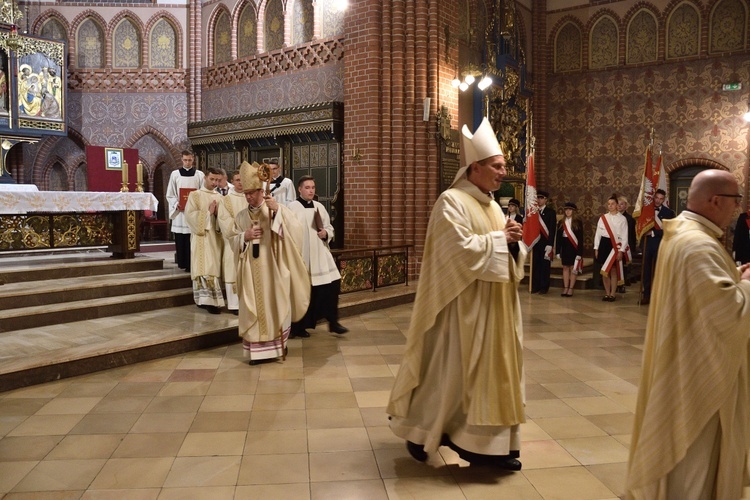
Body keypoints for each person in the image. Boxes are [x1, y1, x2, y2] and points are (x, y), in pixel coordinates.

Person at [387, 117, 527, 470]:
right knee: (451, 377)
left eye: (504, 166)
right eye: (497, 166)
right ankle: (422, 432)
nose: (503, 172)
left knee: (492, 375)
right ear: (475, 168)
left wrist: (513, 244)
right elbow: (456, 252)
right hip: (461, 309)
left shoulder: (493, 205)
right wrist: (501, 240)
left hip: (496, 310)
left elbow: (502, 253)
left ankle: (491, 446)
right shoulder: (451, 201)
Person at [626, 169, 750, 500]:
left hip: (683, 357)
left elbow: (700, 293)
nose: (736, 208)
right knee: (696, 464)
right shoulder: (697, 245)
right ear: (715, 201)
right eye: (735, 201)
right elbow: (728, 312)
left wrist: (733, 275)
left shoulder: (682, 235)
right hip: (698, 374)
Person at [232, 161, 311, 364]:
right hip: (250, 270)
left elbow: (295, 234)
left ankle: (277, 347)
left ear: (261, 190)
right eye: (246, 193)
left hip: (274, 268)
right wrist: (245, 236)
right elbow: (232, 240)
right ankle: (258, 353)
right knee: (254, 308)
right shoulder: (241, 216)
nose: (249, 197)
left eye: (253, 192)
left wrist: (277, 214)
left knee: (275, 305)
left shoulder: (275, 209)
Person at [288, 176, 348, 336]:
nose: (311, 190)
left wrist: (326, 233)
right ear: (299, 189)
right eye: (307, 187)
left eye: (313, 187)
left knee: (332, 285)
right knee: (303, 292)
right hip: (303, 257)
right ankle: (298, 327)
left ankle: (333, 321)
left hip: (320, 256)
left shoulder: (319, 207)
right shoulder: (292, 208)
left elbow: (329, 227)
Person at [184, 166, 225, 314]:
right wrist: (208, 213)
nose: (215, 183)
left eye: (217, 180)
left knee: (213, 266)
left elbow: (224, 220)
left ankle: (212, 300)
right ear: (205, 178)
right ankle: (205, 301)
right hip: (201, 237)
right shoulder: (195, 195)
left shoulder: (221, 198)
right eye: (212, 179)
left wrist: (218, 214)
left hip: (215, 237)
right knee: (204, 268)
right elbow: (189, 216)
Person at [166, 150, 205, 272]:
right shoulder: (175, 174)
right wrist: (176, 204)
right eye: (185, 160)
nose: (187, 162)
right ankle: (182, 262)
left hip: (194, 213)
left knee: (192, 239)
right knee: (181, 238)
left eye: (190, 160)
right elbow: (170, 194)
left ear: (193, 159)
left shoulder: (199, 175)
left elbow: (202, 193)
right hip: (180, 213)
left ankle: (192, 263)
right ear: (182, 160)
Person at [217, 170, 247, 314]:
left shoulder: (251, 197)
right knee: (232, 271)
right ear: (232, 182)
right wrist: (242, 233)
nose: (240, 183)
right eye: (237, 180)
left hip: (250, 241)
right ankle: (234, 305)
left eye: (242, 180)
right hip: (232, 242)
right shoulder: (226, 200)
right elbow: (224, 221)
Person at [641, 189, 675, 304]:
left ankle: (657, 296)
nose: (658, 201)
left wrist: (653, 233)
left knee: (658, 270)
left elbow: (669, 230)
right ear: (653, 197)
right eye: (656, 198)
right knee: (646, 270)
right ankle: (646, 295)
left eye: (661, 199)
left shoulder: (669, 213)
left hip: (660, 244)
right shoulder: (646, 211)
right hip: (647, 244)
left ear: (664, 200)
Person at [594, 193, 628, 301]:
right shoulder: (603, 218)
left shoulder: (622, 219)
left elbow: (624, 236)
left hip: (615, 246)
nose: (610, 206)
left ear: (617, 205)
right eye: (608, 204)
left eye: (612, 204)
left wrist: (621, 251)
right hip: (604, 244)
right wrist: (596, 248)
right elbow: (598, 234)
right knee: (604, 270)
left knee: (613, 270)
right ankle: (607, 293)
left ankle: (613, 293)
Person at [555, 202, 583, 297]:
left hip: (574, 247)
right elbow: (558, 238)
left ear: (573, 211)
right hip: (565, 246)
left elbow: (580, 238)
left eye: (570, 210)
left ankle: (571, 288)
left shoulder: (578, 222)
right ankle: (565, 287)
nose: (567, 211)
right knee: (565, 267)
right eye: (566, 209)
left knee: (573, 268)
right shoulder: (561, 222)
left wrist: (579, 253)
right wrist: (558, 251)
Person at [530, 190, 556, 294]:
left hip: (545, 244)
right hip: (536, 243)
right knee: (536, 265)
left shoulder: (550, 212)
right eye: (538, 198)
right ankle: (535, 286)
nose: (539, 200)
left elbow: (552, 229)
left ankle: (544, 287)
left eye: (541, 198)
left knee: (545, 266)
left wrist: (550, 244)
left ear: (545, 200)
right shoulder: (534, 212)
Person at [617, 195, 636, 292]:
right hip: (616, 245)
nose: (619, 206)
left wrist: (631, 248)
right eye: (618, 204)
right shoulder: (614, 217)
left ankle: (622, 284)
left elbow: (631, 235)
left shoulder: (629, 219)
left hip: (626, 245)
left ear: (626, 206)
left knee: (623, 266)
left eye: (622, 204)